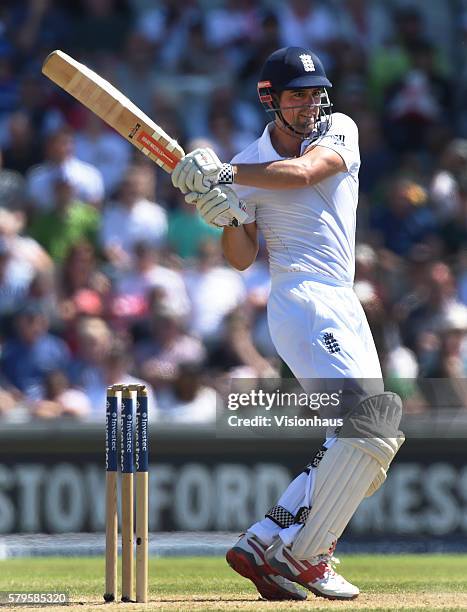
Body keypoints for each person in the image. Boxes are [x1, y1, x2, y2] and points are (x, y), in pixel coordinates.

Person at [170, 47, 405, 601]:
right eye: (297, 95)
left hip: (341, 300)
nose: (310, 104)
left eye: (315, 93)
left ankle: (267, 540)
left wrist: (224, 176)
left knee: (376, 439)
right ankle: (305, 556)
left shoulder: (336, 131)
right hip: (299, 300)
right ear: (269, 98)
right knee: (369, 423)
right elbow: (240, 256)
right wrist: (226, 213)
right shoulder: (249, 164)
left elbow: (304, 174)